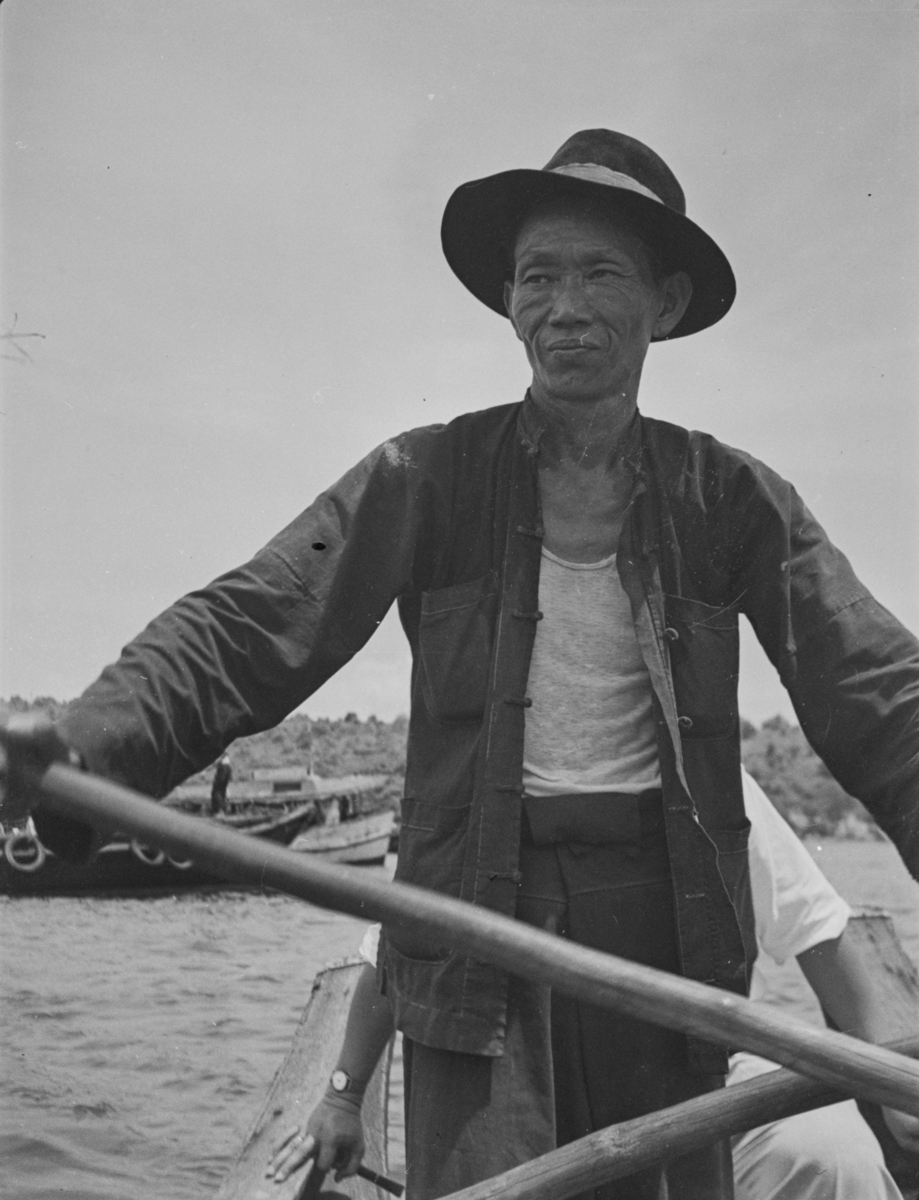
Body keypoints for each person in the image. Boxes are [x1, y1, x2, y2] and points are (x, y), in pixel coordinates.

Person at [3, 129, 919, 1198]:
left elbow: (875, 692)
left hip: (658, 939)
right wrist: (89, 748)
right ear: (509, 302)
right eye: (538, 277)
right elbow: (252, 626)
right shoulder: (423, 477)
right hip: (471, 923)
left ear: (663, 305)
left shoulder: (733, 500)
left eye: (597, 274)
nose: (561, 305)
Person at [266, 770, 919, 1199]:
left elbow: (819, 933)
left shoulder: (715, 787)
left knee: (830, 1152)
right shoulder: (477, 793)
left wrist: (887, 1082)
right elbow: (393, 958)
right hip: (528, 1101)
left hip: (700, 1085)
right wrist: (343, 1097)